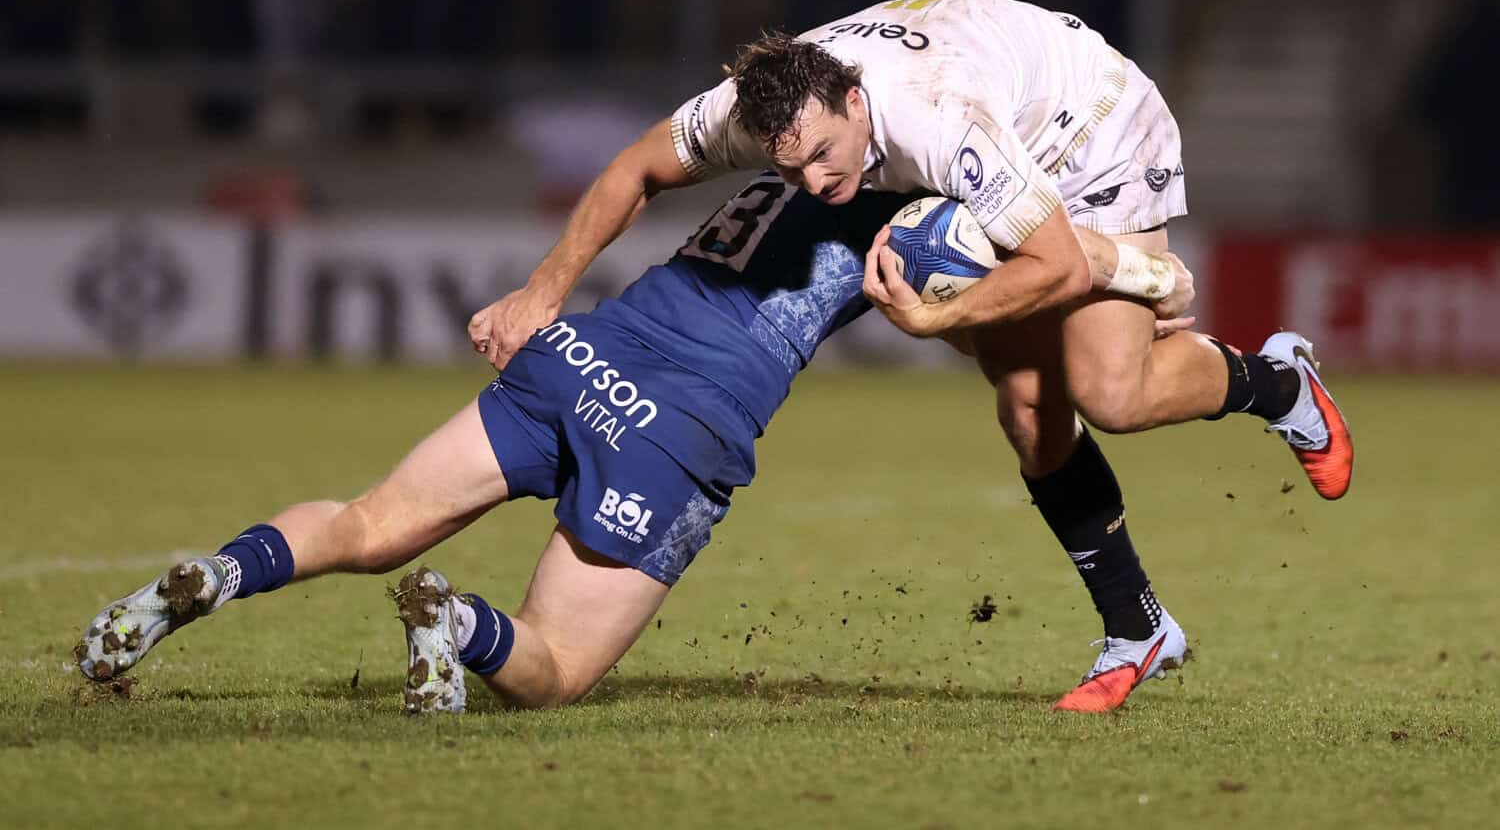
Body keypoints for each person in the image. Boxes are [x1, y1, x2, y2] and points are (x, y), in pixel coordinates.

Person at [467, 0, 1353, 712]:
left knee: (1111, 393)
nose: (814, 183)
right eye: (791, 170)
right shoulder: (768, 110)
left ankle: (1277, 381)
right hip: (996, 120)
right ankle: (1139, 629)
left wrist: (936, 323)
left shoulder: (938, 124)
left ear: (855, 103)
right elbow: (637, 169)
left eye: (824, 155)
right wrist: (543, 292)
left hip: (1091, 130)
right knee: (1029, 413)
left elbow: (1051, 264)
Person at [76, 175, 1187, 714]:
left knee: (368, 521)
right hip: (680, 426)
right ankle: (457, 623)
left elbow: (649, 167)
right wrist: (1147, 287)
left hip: (585, 351)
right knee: (554, 671)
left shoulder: (785, 159)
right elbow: (998, 292)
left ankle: (212, 575)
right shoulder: (913, 192)